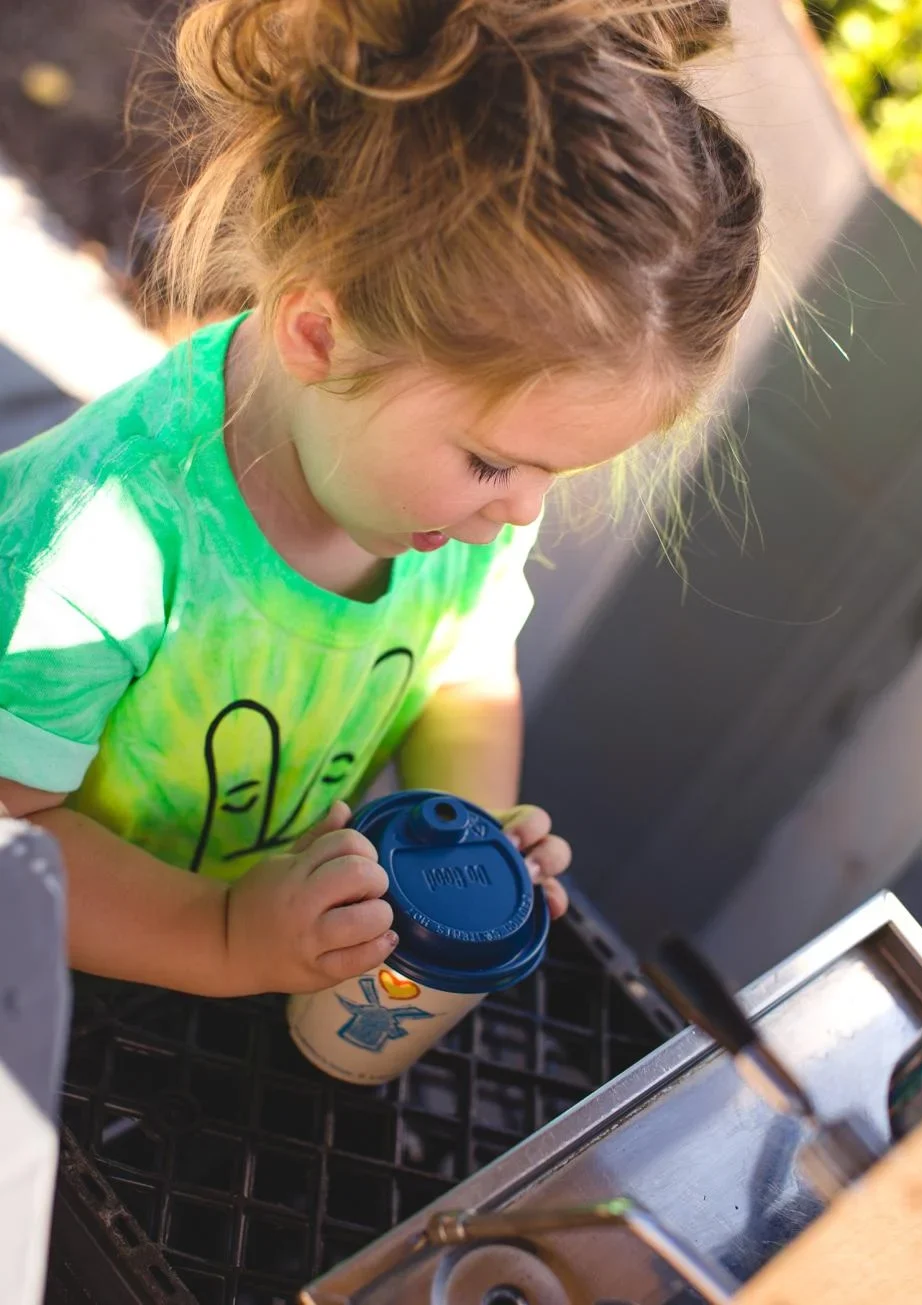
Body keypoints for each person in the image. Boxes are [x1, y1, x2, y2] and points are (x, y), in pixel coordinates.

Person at [0, 0, 763, 999]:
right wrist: (226, 933)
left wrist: (462, 855)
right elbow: (15, 832)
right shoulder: (105, 541)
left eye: (554, 474)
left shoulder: (445, 505)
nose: (522, 514)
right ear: (320, 335)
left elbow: (463, 667)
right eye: (494, 462)